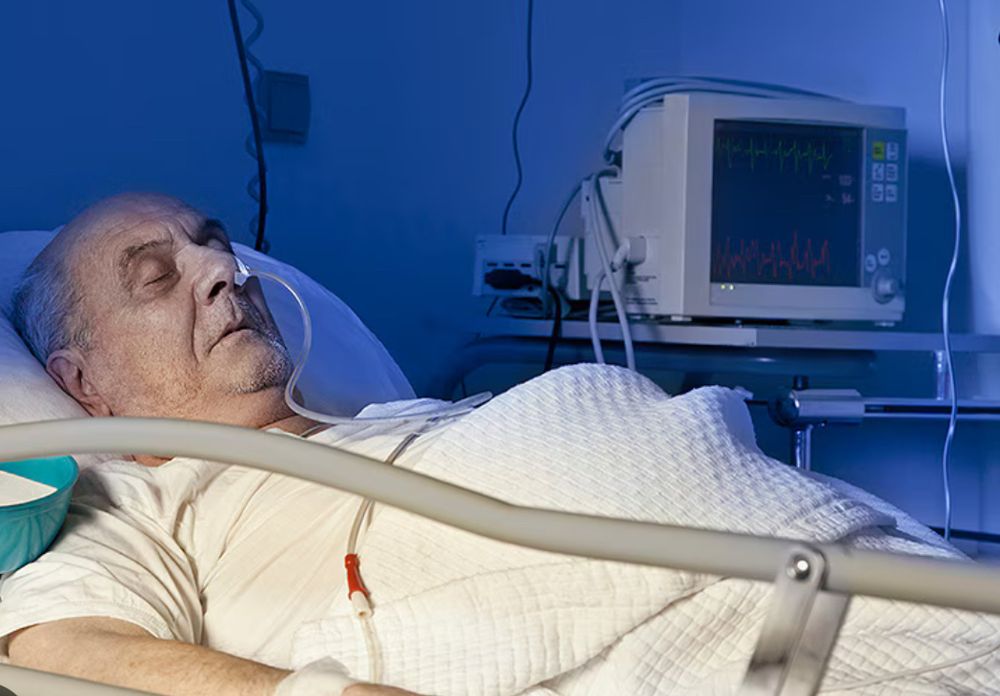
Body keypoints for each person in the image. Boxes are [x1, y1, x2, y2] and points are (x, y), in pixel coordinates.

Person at [1, 193, 423, 696]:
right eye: (157, 277)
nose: (224, 268)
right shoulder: (138, 505)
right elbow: (61, 651)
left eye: (220, 247)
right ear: (83, 382)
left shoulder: (407, 421)